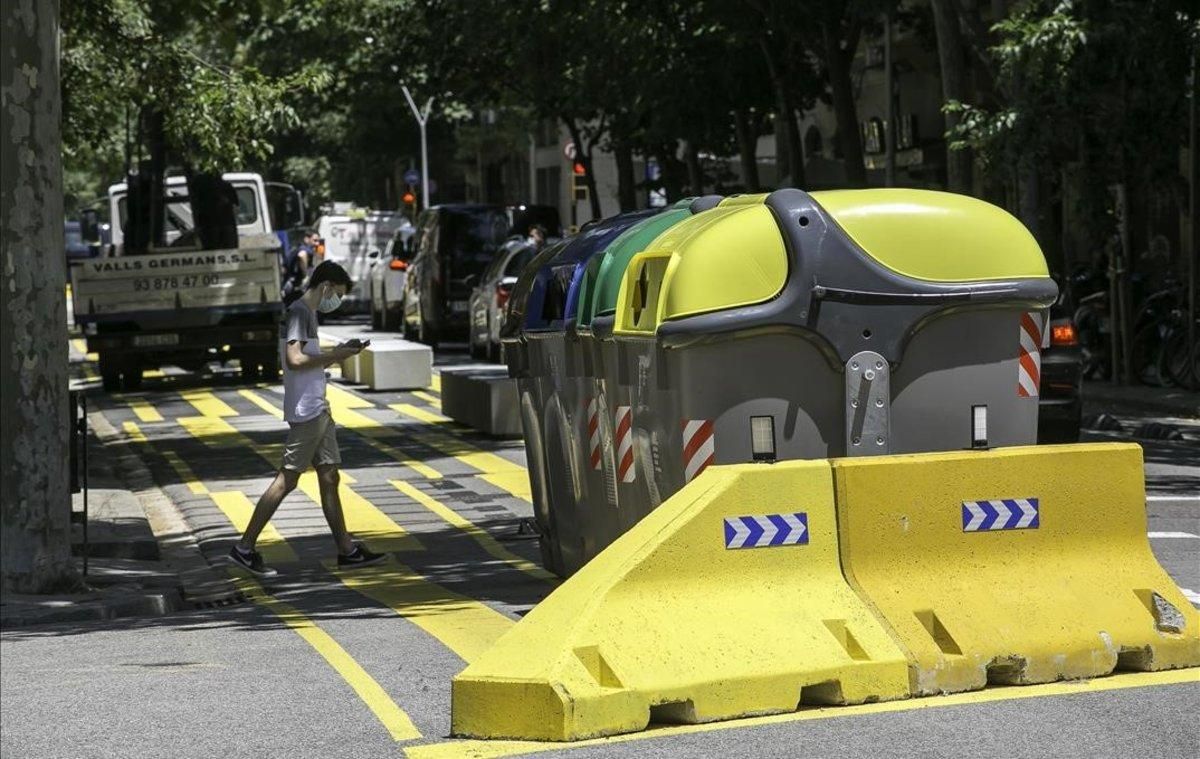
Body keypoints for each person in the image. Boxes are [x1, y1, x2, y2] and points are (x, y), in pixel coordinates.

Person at [229, 261, 383, 576]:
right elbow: (296, 359)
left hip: (318, 407)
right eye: (336, 294)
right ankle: (244, 549)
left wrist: (339, 350)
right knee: (287, 479)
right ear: (325, 286)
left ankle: (347, 550)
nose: (335, 301)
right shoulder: (300, 311)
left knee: (329, 476)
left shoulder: (308, 314)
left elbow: (308, 358)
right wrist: (336, 356)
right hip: (307, 411)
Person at [282, 229, 318, 303]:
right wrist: (305, 276)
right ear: (306, 239)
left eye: (318, 241)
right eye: (315, 240)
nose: (317, 244)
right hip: (297, 289)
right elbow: (302, 255)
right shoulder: (304, 249)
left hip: (292, 288)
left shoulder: (296, 248)